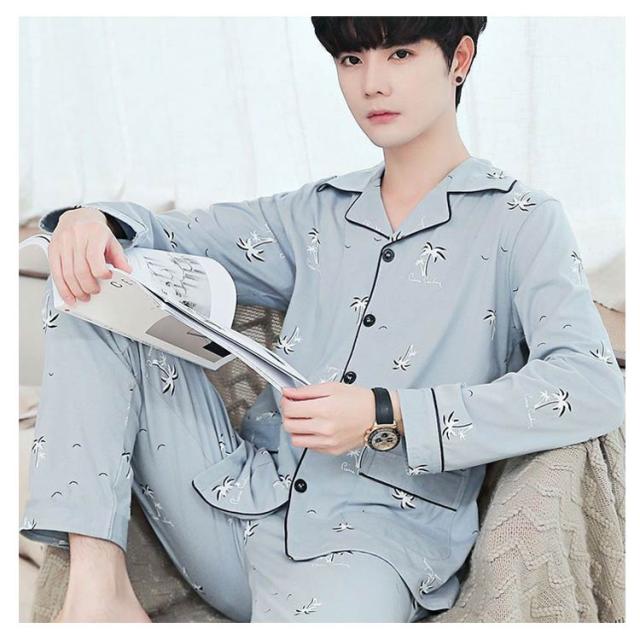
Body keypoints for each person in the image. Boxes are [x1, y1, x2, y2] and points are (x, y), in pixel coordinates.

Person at [19, 17, 625, 623]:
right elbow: (167, 235)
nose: (372, 83)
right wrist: (89, 219)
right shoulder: (316, 212)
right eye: (352, 60)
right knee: (87, 278)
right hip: (236, 505)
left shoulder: (522, 221)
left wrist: (386, 413)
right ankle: (99, 592)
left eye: (400, 54)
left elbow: (590, 384)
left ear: (459, 60)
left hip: (370, 549)